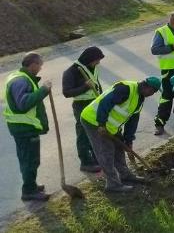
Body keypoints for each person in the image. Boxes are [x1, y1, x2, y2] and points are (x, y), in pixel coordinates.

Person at [80, 76, 163, 192]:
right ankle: (113, 184)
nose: (152, 94)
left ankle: (125, 175)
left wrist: (128, 141)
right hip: (94, 121)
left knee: (119, 148)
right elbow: (105, 103)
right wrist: (101, 124)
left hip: (111, 126)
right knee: (106, 152)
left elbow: (132, 121)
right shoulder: (125, 89)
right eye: (153, 91)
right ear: (147, 87)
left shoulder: (140, 99)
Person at [3, 53, 51, 201]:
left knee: (30, 159)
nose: (41, 68)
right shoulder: (20, 81)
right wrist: (43, 90)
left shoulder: (20, 77)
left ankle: (31, 185)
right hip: (24, 128)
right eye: (40, 65)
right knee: (30, 160)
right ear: (32, 64)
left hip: (24, 127)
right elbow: (23, 104)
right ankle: (29, 191)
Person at [62, 46, 105, 173]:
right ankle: (85, 162)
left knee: (96, 132)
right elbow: (67, 92)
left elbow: (96, 84)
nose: (98, 62)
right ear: (89, 59)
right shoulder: (71, 71)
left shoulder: (92, 67)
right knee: (83, 133)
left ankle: (97, 158)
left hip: (95, 102)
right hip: (81, 105)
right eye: (97, 60)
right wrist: (85, 87)